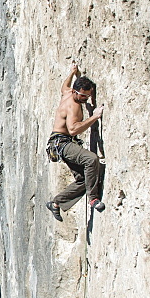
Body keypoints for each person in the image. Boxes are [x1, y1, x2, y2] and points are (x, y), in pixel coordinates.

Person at [46, 63, 105, 221]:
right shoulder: (74, 106)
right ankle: (93, 199)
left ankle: (56, 203)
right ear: (76, 92)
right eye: (84, 96)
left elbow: (64, 86)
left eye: (88, 96)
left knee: (85, 179)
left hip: (57, 144)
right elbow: (73, 129)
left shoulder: (68, 93)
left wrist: (72, 73)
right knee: (91, 160)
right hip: (63, 143)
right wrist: (95, 116)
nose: (86, 99)